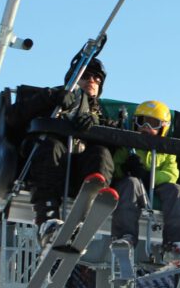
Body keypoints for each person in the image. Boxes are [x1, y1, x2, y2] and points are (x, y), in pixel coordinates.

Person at [8, 54, 117, 248]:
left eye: (97, 79)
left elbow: (118, 139)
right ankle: (48, 219)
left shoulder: (100, 114)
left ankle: (89, 203)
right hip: (50, 165)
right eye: (87, 76)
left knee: (101, 153)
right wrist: (49, 99)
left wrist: (96, 126)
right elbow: (13, 117)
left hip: (80, 171)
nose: (92, 81)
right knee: (51, 146)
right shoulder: (53, 98)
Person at [109, 100, 180, 267]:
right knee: (130, 183)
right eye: (142, 121)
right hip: (135, 188)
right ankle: (124, 237)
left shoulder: (166, 149)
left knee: (178, 191)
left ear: (162, 127)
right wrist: (127, 169)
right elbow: (116, 166)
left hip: (157, 187)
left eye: (154, 123)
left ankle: (177, 243)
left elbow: (171, 174)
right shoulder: (128, 146)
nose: (146, 127)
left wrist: (149, 177)